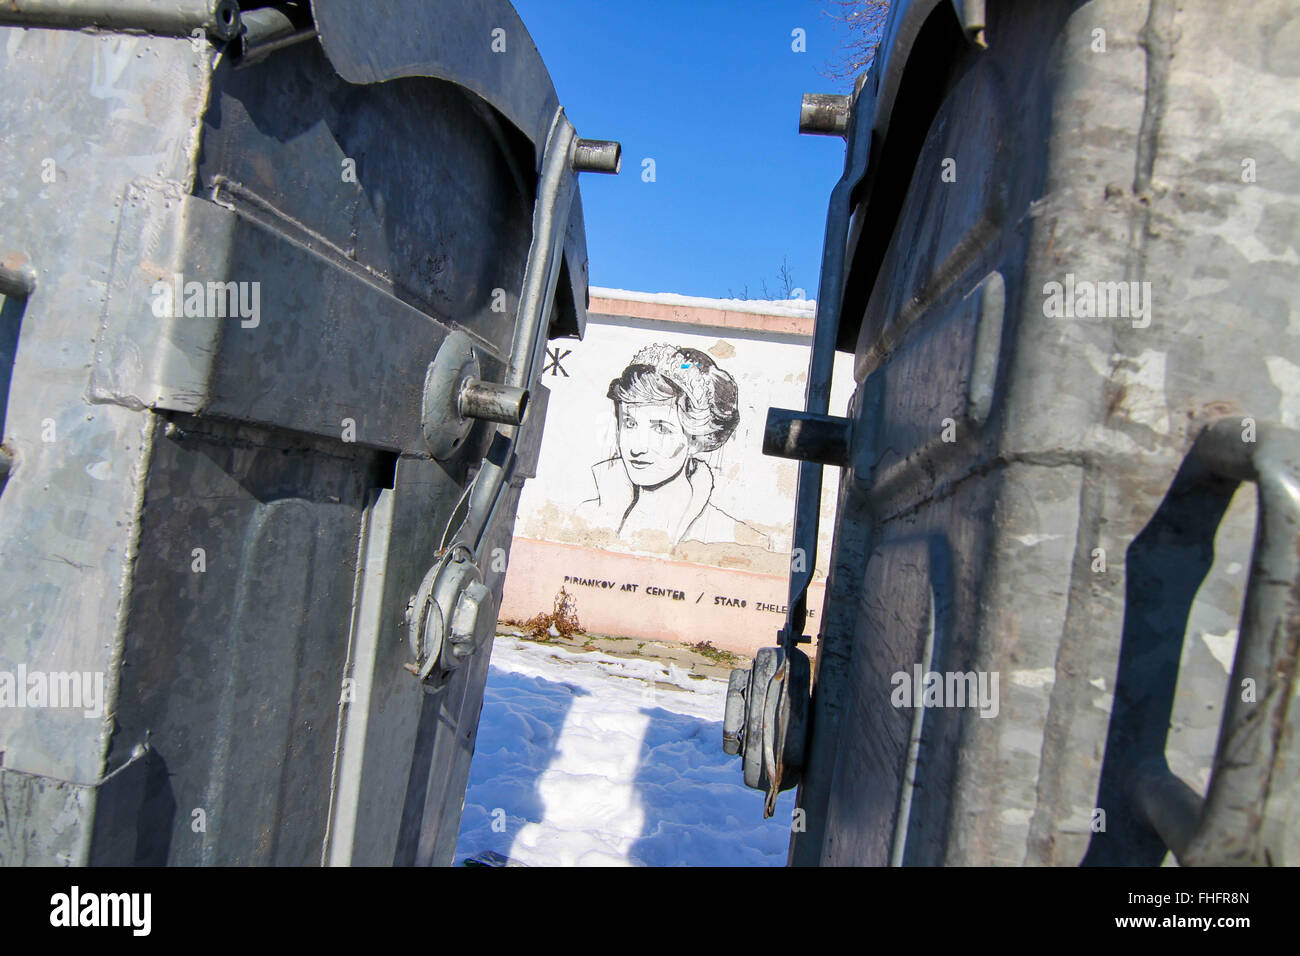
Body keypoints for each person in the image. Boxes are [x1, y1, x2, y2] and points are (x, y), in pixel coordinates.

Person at [579, 343, 753, 548]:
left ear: (696, 439)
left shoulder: (725, 538)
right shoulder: (585, 516)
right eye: (630, 423)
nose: (637, 447)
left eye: (661, 429)